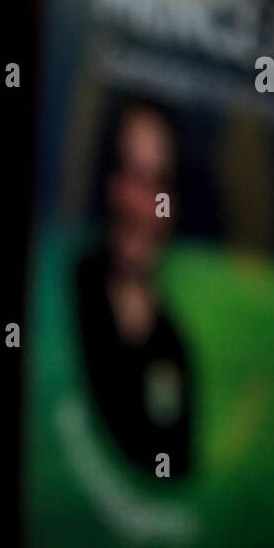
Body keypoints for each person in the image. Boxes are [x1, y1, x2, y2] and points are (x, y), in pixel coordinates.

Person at [75, 97, 194, 480]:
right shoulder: (64, 301)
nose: (139, 205)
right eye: (127, 174)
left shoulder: (175, 346)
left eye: (157, 184)